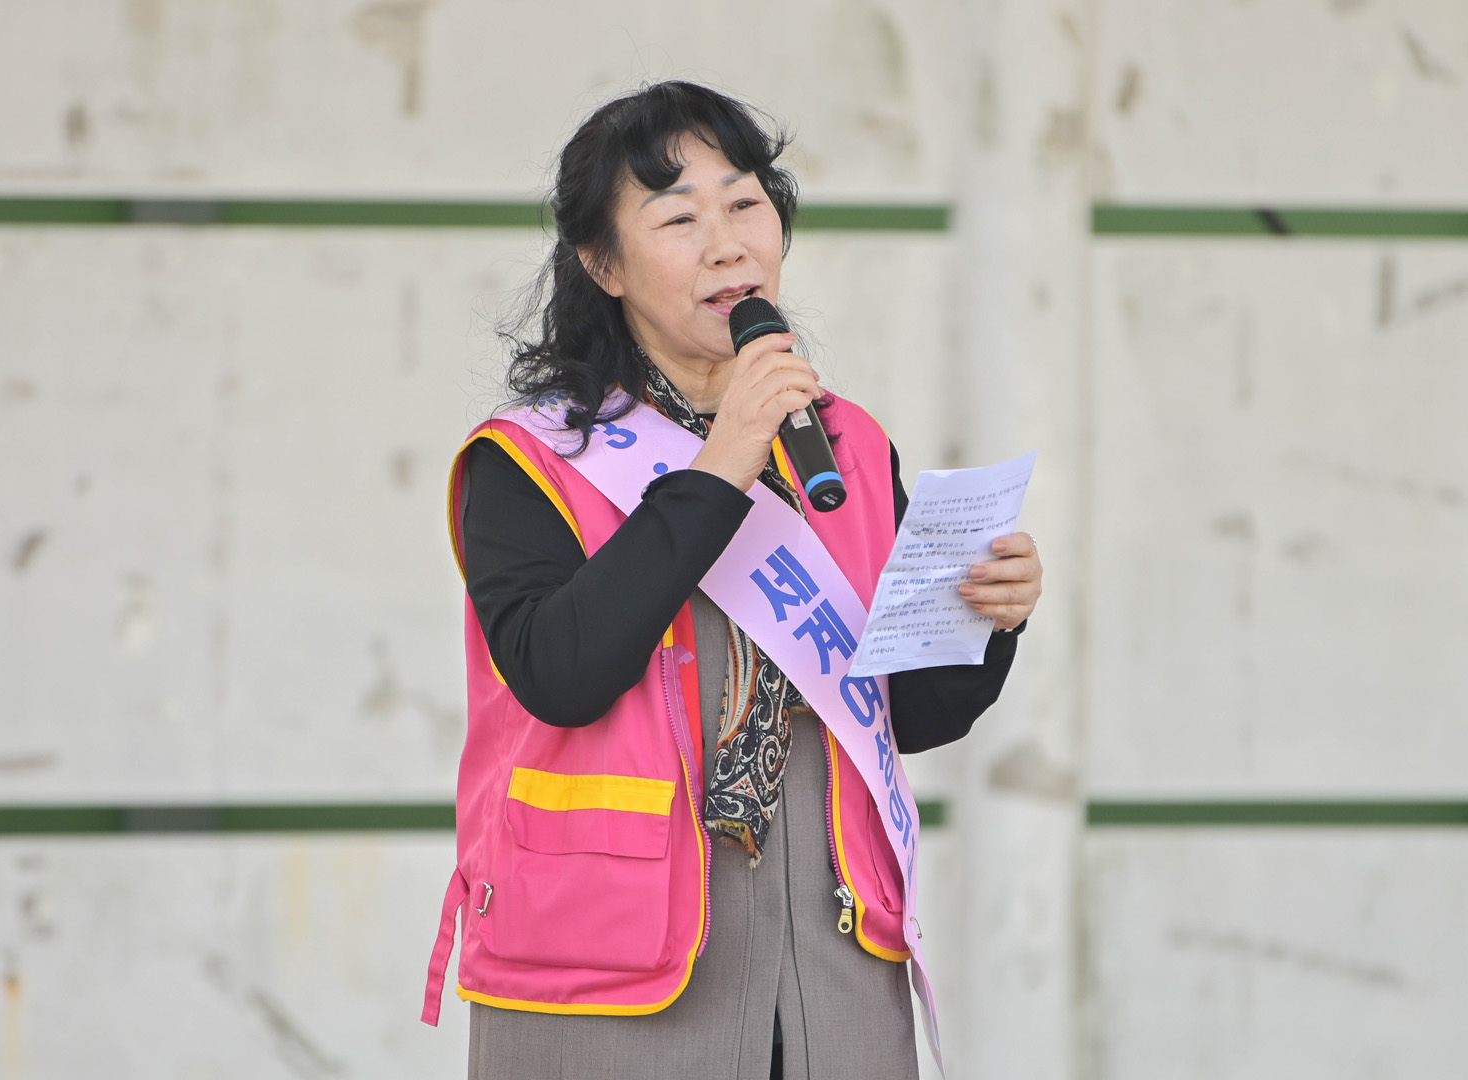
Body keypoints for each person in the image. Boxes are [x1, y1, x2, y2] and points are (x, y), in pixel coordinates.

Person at [421, 81, 1044, 1080]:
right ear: (603, 263)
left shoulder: (842, 444)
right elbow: (562, 674)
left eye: (746, 203)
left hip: (831, 967)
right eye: (678, 219)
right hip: (606, 971)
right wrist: (721, 467)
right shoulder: (530, 460)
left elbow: (910, 714)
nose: (727, 244)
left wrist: (987, 618)